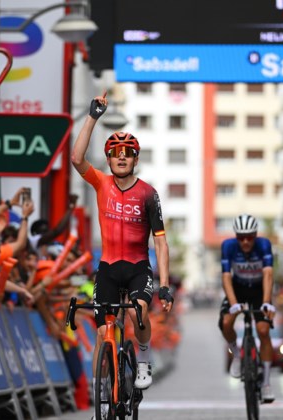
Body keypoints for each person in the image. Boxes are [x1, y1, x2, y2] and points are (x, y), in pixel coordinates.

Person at [71, 92, 174, 392]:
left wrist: (164, 284)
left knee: (135, 311)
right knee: (105, 328)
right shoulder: (101, 183)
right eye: (116, 152)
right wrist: (93, 116)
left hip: (138, 268)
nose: (121, 157)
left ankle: (143, 357)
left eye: (127, 153)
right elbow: (77, 158)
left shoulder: (148, 193)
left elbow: (161, 242)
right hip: (108, 267)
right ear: (109, 158)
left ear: (135, 159)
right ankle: (101, 395)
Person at [219, 214, 276, 403]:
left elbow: (268, 275)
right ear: (236, 236)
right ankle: (237, 355)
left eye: (249, 237)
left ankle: (266, 383)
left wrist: (267, 301)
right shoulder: (228, 246)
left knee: (263, 330)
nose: (245, 241)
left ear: (255, 235)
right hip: (238, 288)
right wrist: (234, 304)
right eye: (241, 237)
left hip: (260, 290)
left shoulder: (264, 245)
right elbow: (226, 277)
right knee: (226, 322)